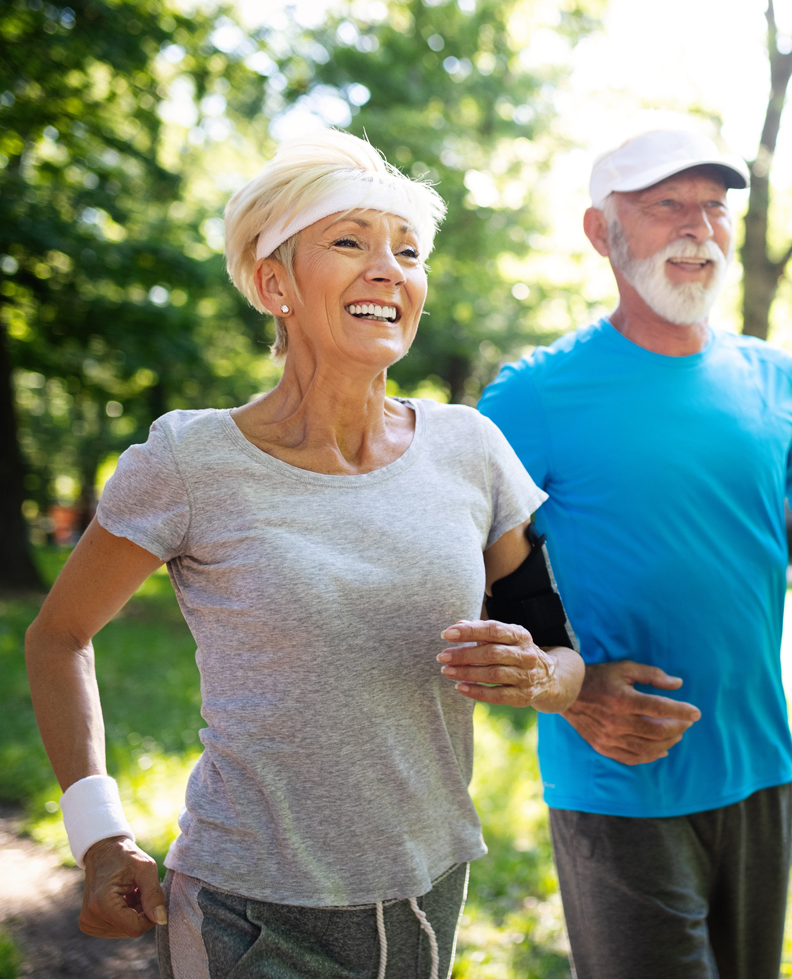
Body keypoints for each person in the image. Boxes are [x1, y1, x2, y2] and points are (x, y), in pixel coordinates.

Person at [25, 128, 584, 979]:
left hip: (428, 894)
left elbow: (560, 649)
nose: (387, 268)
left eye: (406, 251)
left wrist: (541, 678)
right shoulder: (189, 460)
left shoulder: (471, 447)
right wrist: (98, 837)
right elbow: (58, 636)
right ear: (272, 283)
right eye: (350, 242)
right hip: (248, 912)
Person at [478, 127, 792, 979]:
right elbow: (464, 572)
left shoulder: (780, 379)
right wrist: (569, 691)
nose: (700, 227)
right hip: (617, 770)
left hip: (760, 763)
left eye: (715, 207)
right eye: (667, 206)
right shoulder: (533, 395)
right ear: (599, 230)